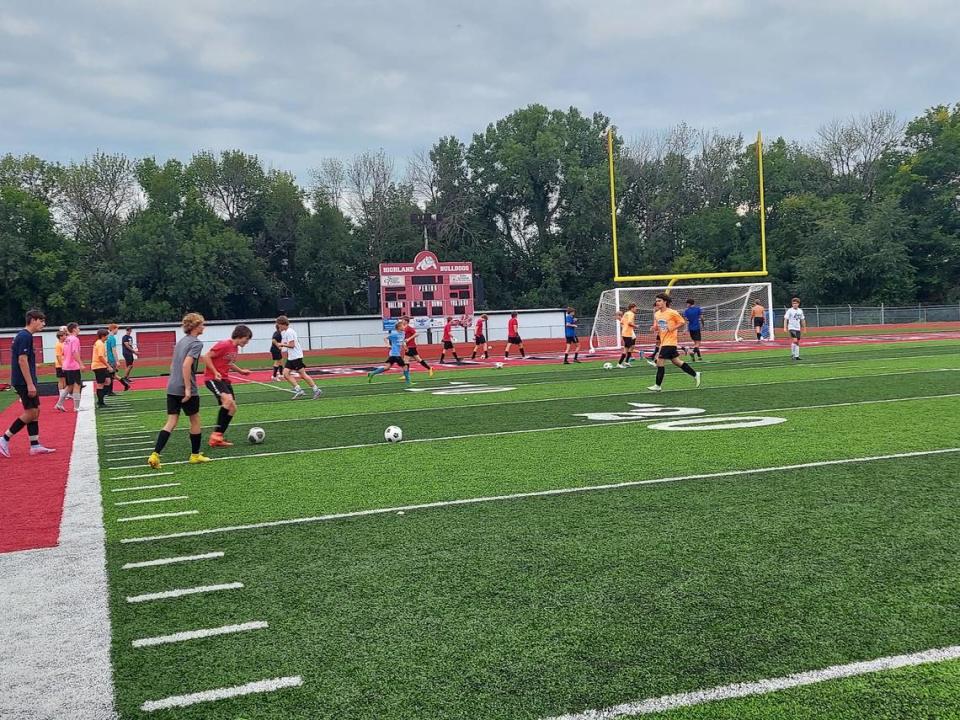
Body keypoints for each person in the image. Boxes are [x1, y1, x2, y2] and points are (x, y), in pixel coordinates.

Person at [147, 313, 211, 469]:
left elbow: (173, 365)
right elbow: (186, 365)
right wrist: (188, 389)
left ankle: (155, 455)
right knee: (195, 420)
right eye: (202, 324)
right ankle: (195, 455)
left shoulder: (181, 342)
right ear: (195, 326)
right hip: (185, 388)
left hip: (172, 386)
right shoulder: (196, 343)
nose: (204, 327)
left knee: (171, 421)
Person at [0, 309, 55, 458]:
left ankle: (35, 445)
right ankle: (4, 439)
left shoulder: (25, 336)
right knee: (31, 412)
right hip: (23, 381)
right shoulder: (25, 336)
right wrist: (30, 384)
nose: (43, 324)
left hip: (25, 380)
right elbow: (22, 360)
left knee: (35, 411)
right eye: (41, 320)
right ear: (33, 320)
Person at [202, 325, 253, 448]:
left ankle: (218, 437)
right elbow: (206, 356)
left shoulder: (235, 349)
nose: (247, 342)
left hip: (224, 380)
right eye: (247, 339)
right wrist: (215, 372)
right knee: (227, 400)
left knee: (233, 408)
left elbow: (229, 363)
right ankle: (215, 436)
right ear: (240, 336)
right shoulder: (224, 344)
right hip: (213, 378)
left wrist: (241, 371)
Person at [648, 293, 701, 392]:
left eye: (659, 300)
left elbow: (682, 322)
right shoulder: (657, 314)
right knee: (677, 362)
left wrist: (672, 328)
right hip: (664, 342)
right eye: (657, 301)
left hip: (670, 341)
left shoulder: (672, 312)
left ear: (665, 302)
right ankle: (695, 374)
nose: (657, 302)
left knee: (659, 362)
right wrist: (654, 328)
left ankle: (658, 385)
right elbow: (658, 326)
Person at [277, 315, 322, 399]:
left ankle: (316, 390)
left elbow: (292, 345)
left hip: (296, 357)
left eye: (278, 324)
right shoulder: (287, 332)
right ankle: (299, 390)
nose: (278, 326)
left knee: (303, 375)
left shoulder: (289, 332)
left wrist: (282, 345)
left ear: (282, 323)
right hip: (292, 357)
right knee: (286, 374)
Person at [368, 319, 411, 385]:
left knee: (387, 367)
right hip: (395, 354)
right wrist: (388, 345)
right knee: (405, 367)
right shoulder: (394, 334)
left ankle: (372, 373)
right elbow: (385, 338)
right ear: (399, 327)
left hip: (393, 354)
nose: (404, 326)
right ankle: (408, 382)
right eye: (403, 325)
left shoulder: (403, 333)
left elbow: (402, 342)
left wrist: (405, 347)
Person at [57, 322, 84, 412]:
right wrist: (80, 363)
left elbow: (64, 353)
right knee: (77, 385)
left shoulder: (67, 339)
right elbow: (74, 352)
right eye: (78, 328)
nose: (79, 330)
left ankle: (59, 404)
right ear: (74, 329)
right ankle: (76, 407)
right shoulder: (75, 339)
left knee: (69, 386)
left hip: (66, 365)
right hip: (73, 365)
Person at [105, 323, 129, 393]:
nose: (117, 331)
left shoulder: (107, 338)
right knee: (113, 375)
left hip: (109, 359)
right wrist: (117, 360)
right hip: (111, 359)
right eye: (117, 329)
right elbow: (114, 350)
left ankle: (110, 391)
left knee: (111, 375)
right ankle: (125, 385)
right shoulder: (112, 338)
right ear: (113, 329)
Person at [91, 328, 111, 408]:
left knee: (108, 381)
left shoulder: (100, 343)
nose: (107, 337)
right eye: (107, 335)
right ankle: (100, 402)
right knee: (100, 384)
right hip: (99, 366)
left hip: (101, 366)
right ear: (103, 336)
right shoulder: (100, 344)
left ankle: (101, 397)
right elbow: (100, 357)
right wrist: (108, 365)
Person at [617, 303, 637, 368]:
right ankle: (619, 363)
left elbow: (622, 322)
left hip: (627, 333)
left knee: (631, 347)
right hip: (627, 334)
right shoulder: (631, 314)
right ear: (632, 308)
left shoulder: (626, 313)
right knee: (626, 349)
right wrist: (635, 326)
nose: (636, 309)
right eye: (635, 308)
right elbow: (629, 323)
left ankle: (626, 362)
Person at [54, 329, 67, 408]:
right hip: (60, 365)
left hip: (65, 364)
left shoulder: (64, 344)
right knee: (61, 379)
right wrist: (62, 365)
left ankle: (65, 393)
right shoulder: (58, 345)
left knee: (65, 379)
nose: (65, 336)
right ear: (60, 337)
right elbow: (58, 356)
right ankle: (61, 393)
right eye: (64, 335)